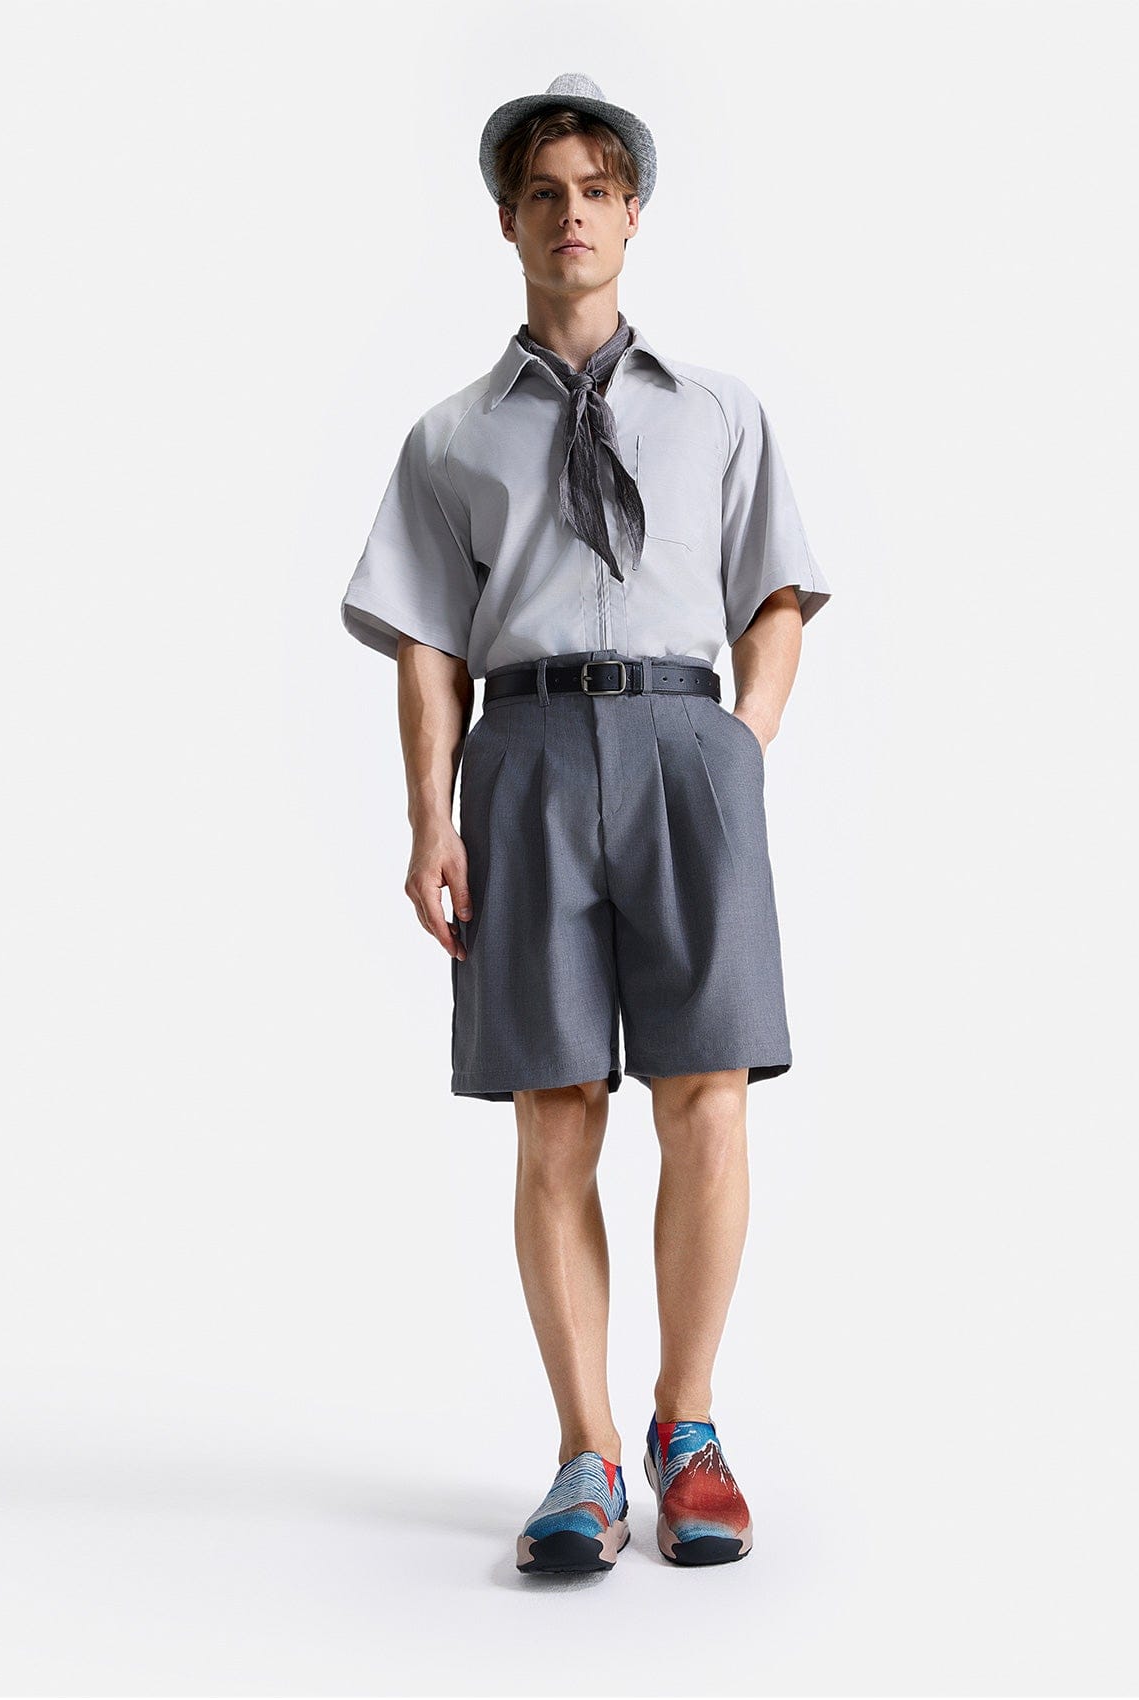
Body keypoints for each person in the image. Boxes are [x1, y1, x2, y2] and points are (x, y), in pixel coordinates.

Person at [340, 73, 833, 1573]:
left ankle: (690, 1431)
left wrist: (738, 750)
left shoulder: (721, 412)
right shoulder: (449, 438)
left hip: (689, 744)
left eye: (598, 192)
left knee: (709, 1093)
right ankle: (585, 1453)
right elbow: (430, 643)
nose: (573, 216)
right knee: (555, 1110)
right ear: (509, 222)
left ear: (633, 216)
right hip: (529, 751)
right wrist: (429, 818)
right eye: (546, 194)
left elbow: (775, 595)